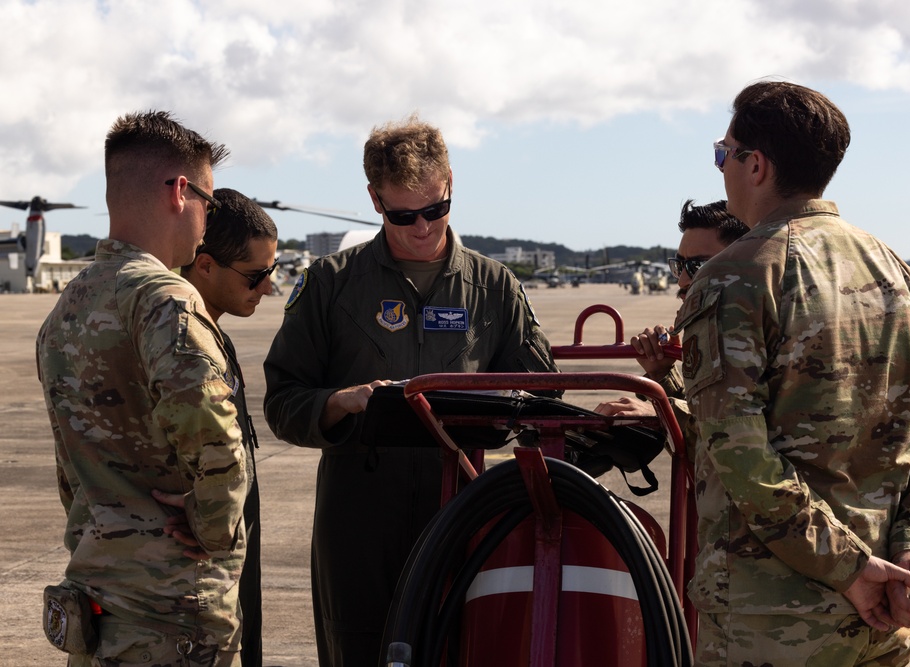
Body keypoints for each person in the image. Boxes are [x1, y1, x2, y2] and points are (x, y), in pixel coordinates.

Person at [674, 81, 910, 665]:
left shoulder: (735, 276)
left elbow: (741, 456)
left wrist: (850, 569)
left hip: (774, 621)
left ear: (755, 165)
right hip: (883, 614)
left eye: (722, 153)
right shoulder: (894, 272)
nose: (722, 169)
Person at [262, 114, 560, 667]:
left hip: (462, 508)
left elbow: (540, 395)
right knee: (359, 649)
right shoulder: (331, 283)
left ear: (451, 183)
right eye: (403, 215)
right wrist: (338, 403)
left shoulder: (494, 287)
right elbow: (282, 400)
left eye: (435, 208)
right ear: (375, 201)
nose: (422, 226)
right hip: (359, 516)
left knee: (462, 646)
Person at [35, 111, 248, 667]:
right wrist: (214, 532)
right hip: (170, 607)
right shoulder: (166, 300)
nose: (208, 219)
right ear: (181, 191)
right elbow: (218, 448)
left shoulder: (66, 308)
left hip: (98, 599)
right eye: (210, 201)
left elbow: (70, 468)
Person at [179, 188, 279, 667]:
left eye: (272, 273)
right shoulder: (185, 345)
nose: (267, 288)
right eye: (256, 276)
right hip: (197, 591)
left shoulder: (214, 336)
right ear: (205, 267)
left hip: (231, 579)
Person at [596, 199, 748, 419]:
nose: (682, 280)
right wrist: (662, 374)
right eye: (679, 266)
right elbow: (703, 418)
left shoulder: (765, 330)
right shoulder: (715, 328)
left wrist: (663, 414)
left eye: (699, 267)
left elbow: (741, 433)